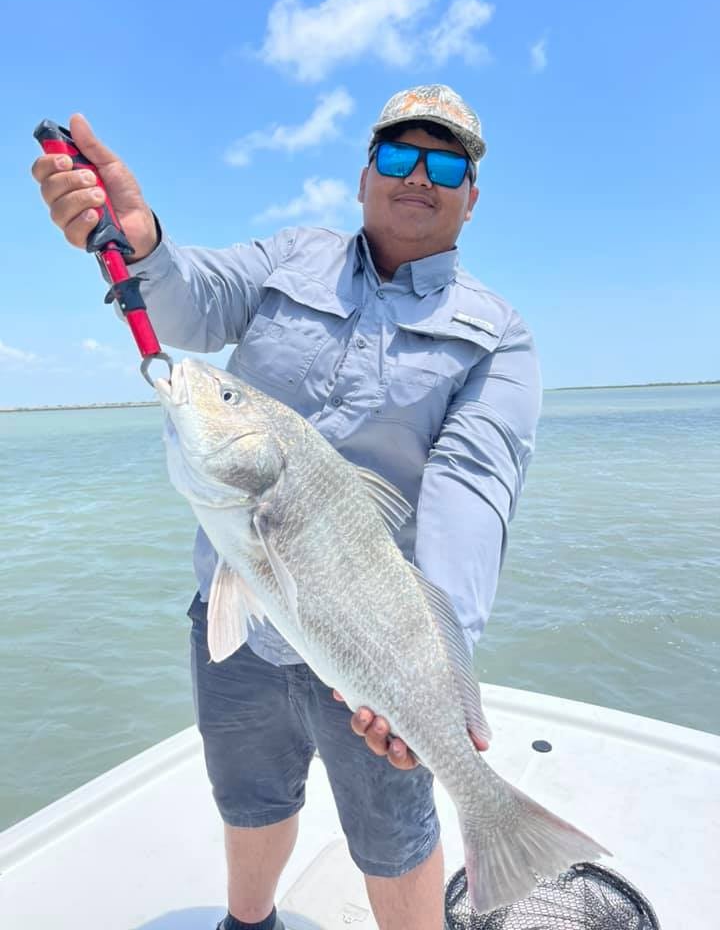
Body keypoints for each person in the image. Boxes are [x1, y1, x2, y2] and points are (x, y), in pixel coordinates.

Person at [32, 84, 542, 930]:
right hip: (234, 606)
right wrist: (144, 243)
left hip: (375, 640)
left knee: (394, 834)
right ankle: (249, 922)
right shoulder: (289, 259)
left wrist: (428, 682)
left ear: (471, 195)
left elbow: (471, 498)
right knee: (249, 793)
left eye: (445, 160)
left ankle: (493, 827)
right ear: (364, 174)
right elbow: (187, 299)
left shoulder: (498, 336)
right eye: (397, 154)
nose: (418, 174)